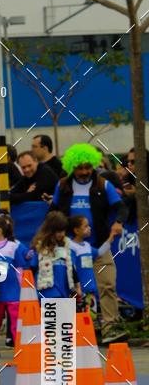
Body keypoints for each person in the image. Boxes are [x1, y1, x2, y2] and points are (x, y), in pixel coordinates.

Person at [48, 143, 128, 344]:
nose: (84, 172)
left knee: (107, 284)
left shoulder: (103, 185)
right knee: (70, 288)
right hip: (70, 250)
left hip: (100, 247)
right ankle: (73, 330)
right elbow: (52, 212)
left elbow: (121, 207)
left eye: (87, 167)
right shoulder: (63, 185)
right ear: (72, 167)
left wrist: (118, 222)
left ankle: (110, 327)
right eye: (79, 168)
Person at [0, 215, 30, 345]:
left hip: (13, 293)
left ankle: (20, 351)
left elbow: (19, 269)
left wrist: (22, 290)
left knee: (16, 324)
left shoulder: (13, 247)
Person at [68, 214, 116, 315]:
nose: (89, 228)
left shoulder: (87, 246)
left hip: (90, 290)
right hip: (79, 291)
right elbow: (71, 268)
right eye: (85, 226)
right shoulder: (71, 247)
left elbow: (100, 252)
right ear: (76, 230)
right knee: (79, 318)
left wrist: (111, 237)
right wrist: (76, 288)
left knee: (91, 317)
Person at [30, 211, 80, 300]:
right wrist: (29, 286)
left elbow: (71, 267)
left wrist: (77, 287)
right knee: (54, 310)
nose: (62, 234)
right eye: (59, 231)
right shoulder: (41, 246)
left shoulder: (66, 245)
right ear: (50, 230)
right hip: (48, 288)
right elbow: (33, 268)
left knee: (63, 313)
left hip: (64, 289)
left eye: (63, 231)